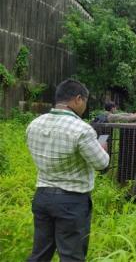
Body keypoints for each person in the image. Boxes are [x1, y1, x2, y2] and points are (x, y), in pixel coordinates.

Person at [26, 79, 109, 262]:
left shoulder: (34, 124)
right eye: (85, 102)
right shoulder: (82, 129)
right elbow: (101, 163)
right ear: (78, 99)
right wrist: (102, 148)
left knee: (40, 254)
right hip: (72, 201)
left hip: (42, 197)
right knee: (71, 256)